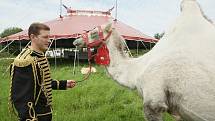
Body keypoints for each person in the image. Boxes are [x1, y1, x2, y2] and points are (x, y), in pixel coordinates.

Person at [9, 22, 76, 121]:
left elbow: (42, 83)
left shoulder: (39, 55)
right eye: (45, 37)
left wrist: (64, 84)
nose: (49, 41)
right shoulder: (25, 61)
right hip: (34, 116)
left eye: (49, 37)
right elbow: (21, 96)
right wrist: (30, 118)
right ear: (33, 37)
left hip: (44, 112)